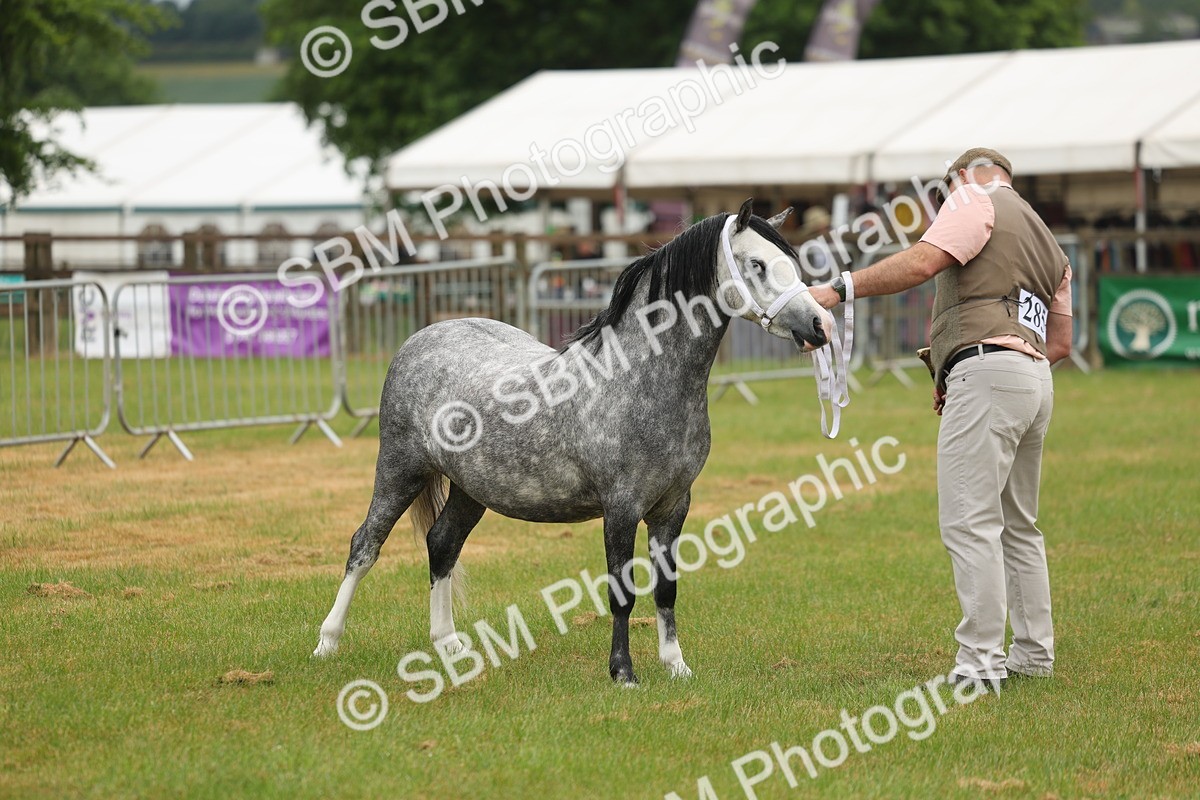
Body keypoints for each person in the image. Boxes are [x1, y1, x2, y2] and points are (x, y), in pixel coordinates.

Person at [809, 148, 1073, 691]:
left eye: (942, 194)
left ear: (961, 176)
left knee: (970, 523)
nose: (942, 206)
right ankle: (1033, 654)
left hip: (992, 376)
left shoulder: (972, 198)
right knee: (1020, 526)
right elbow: (1062, 342)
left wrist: (840, 288)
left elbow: (922, 262)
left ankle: (978, 664)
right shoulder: (1049, 241)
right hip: (1035, 379)